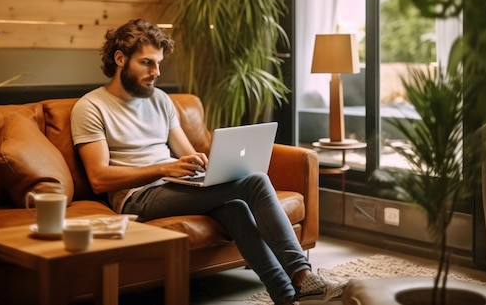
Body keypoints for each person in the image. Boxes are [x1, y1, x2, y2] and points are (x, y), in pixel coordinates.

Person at [70, 19, 348, 304]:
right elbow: (99, 177)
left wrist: (200, 164)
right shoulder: (91, 107)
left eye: (159, 64)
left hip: (175, 186)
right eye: (147, 63)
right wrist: (166, 167)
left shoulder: (161, 100)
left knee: (236, 208)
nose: (156, 72)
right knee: (255, 181)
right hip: (137, 198)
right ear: (120, 59)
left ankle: (286, 296)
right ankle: (303, 276)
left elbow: (186, 152)